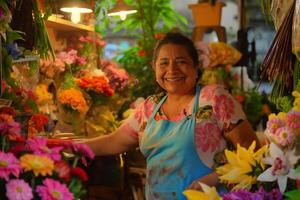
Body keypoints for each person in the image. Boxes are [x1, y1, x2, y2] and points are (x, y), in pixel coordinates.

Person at [83, 32, 259, 200]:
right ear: (155, 68)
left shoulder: (213, 98)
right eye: (164, 63)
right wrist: (68, 146)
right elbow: (114, 141)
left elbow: (252, 149)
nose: (172, 69)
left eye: (181, 62)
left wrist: (214, 178)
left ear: (196, 67)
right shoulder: (149, 108)